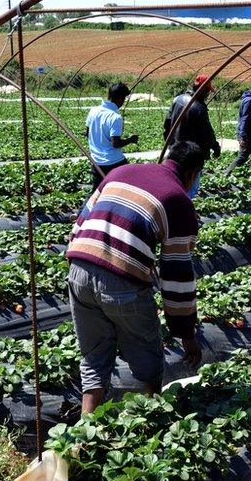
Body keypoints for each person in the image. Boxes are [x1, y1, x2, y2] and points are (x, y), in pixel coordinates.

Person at [65, 140, 205, 413]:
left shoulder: (120, 173)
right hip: (120, 281)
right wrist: (186, 333)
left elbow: (78, 226)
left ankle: (84, 435)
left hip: (78, 268)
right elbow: (176, 277)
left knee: (94, 357)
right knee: (148, 359)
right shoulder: (178, 200)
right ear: (192, 173)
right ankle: (150, 420)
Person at [163, 74, 220, 198]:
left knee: (175, 179)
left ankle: (173, 204)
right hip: (191, 153)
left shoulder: (177, 99)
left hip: (175, 149)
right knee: (190, 186)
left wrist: (169, 142)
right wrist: (215, 147)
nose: (208, 94)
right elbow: (207, 132)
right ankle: (185, 209)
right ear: (203, 90)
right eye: (208, 91)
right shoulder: (199, 108)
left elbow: (167, 122)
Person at [84, 82, 139, 190]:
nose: (123, 102)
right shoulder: (115, 117)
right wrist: (131, 140)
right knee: (126, 188)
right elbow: (115, 143)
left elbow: (87, 133)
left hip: (96, 161)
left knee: (96, 191)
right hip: (113, 162)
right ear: (119, 99)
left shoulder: (93, 111)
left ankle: (87, 207)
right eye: (124, 99)